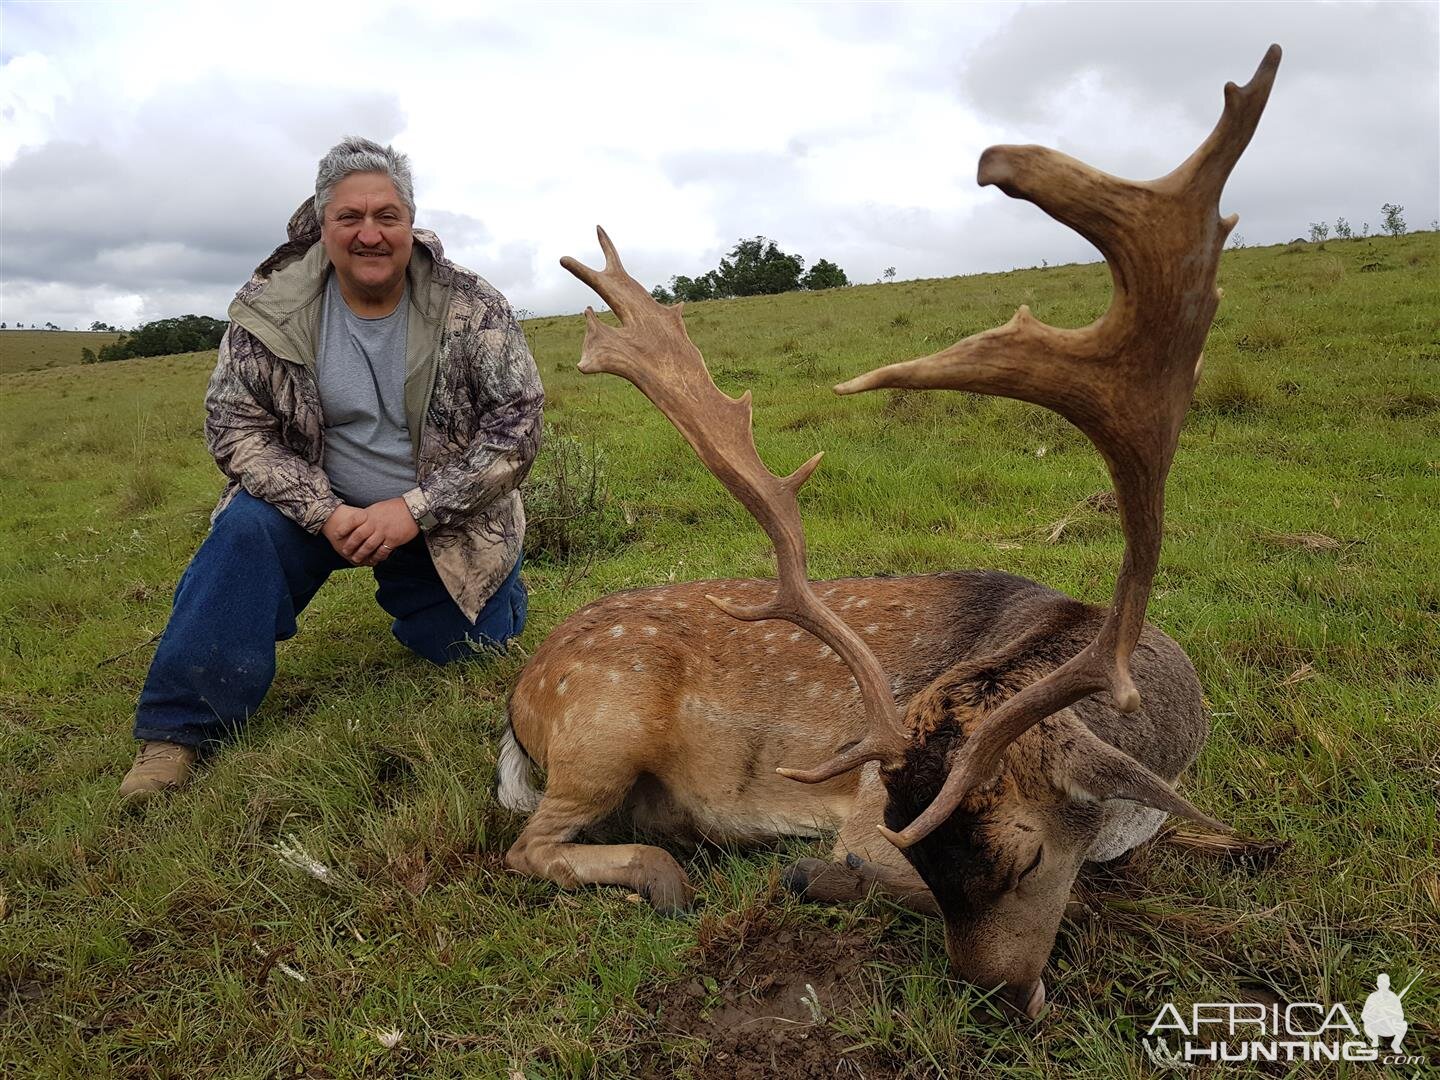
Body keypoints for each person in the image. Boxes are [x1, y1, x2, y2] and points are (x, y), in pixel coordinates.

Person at [119, 137, 543, 801]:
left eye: (386, 216)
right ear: (323, 225)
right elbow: (234, 427)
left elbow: (516, 430)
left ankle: (491, 597)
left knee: (473, 650)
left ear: (410, 222)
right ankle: (174, 733)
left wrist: (413, 510)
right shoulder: (270, 307)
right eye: (350, 218)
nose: (369, 234)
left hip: (438, 518)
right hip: (312, 509)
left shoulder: (472, 305)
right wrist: (325, 511)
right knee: (242, 537)